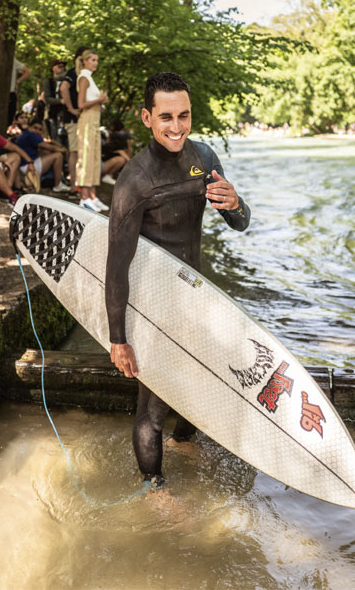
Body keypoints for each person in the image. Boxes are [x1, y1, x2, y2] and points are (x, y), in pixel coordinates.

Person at [105, 72, 251, 487]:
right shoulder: (134, 181)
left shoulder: (203, 158)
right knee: (151, 409)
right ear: (147, 117)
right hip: (155, 304)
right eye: (165, 116)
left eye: (183, 115)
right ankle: (155, 493)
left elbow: (238, 223)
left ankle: (184, 445)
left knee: (198, 386)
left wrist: (237, 205)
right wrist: (119, 339)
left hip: (197, 297)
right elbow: (116, 266)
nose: (176, 126)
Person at [0, 106, 35, 207]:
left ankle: (6, 193)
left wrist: (29, 161)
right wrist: (2, 159)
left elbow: (14, 147)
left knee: (15, 156)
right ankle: (13, 197)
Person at [76, 49, 109, 211]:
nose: (96, 63)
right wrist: (99, 100)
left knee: (95, 158)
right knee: (86, 157)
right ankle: (84, 198)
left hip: (95, 120)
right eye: (93, 60)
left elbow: (94, 101)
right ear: (85, 61)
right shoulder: (83, 78)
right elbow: (81, 104)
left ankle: (93, 196)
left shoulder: (90, 78)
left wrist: (101, 102)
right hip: (87, 120)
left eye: (97, 60)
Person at [60, 47, 89, 194]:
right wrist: (71, 109)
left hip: (82, 119)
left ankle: (78, 184)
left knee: (79, 152)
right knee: (74, 152)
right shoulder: (73, 73)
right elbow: (63, 88)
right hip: (73, 119)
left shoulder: (83, 75)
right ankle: (73, 187)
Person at [15, 118, 70, 193]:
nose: (37, 131)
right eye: (35, 128)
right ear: (29, 127)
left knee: (47, 152)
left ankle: (54, 180)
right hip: (27, 166)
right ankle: (57, 185)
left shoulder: (27, 134)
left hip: (26, 165)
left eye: (40, 129)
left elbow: (47, 144)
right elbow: (49, 147)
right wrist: (63, 150)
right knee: (58, 156)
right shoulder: (30, 135)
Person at [101, 119, 131, 185]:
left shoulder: (109, 143)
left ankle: (109, 176)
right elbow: (128, 160)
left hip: (100, 165)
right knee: (121, 160)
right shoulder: (116, 146)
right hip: (100, 167)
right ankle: (108, 176)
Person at [44, 59, 66, 142]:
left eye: (63, 67)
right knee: (55, 138)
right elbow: (47, 98)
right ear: (53, 68)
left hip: (66, 113)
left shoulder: (68, 80)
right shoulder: (49, 82)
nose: (62, 68)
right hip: (53, 113)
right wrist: (60, 101)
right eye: (59, 66)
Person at [8, 58, 31, 127]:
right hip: (9, 94)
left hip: (10, 94)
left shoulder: (12, 60)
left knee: (8, 121)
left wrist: (17, 82)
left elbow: (28, 72)